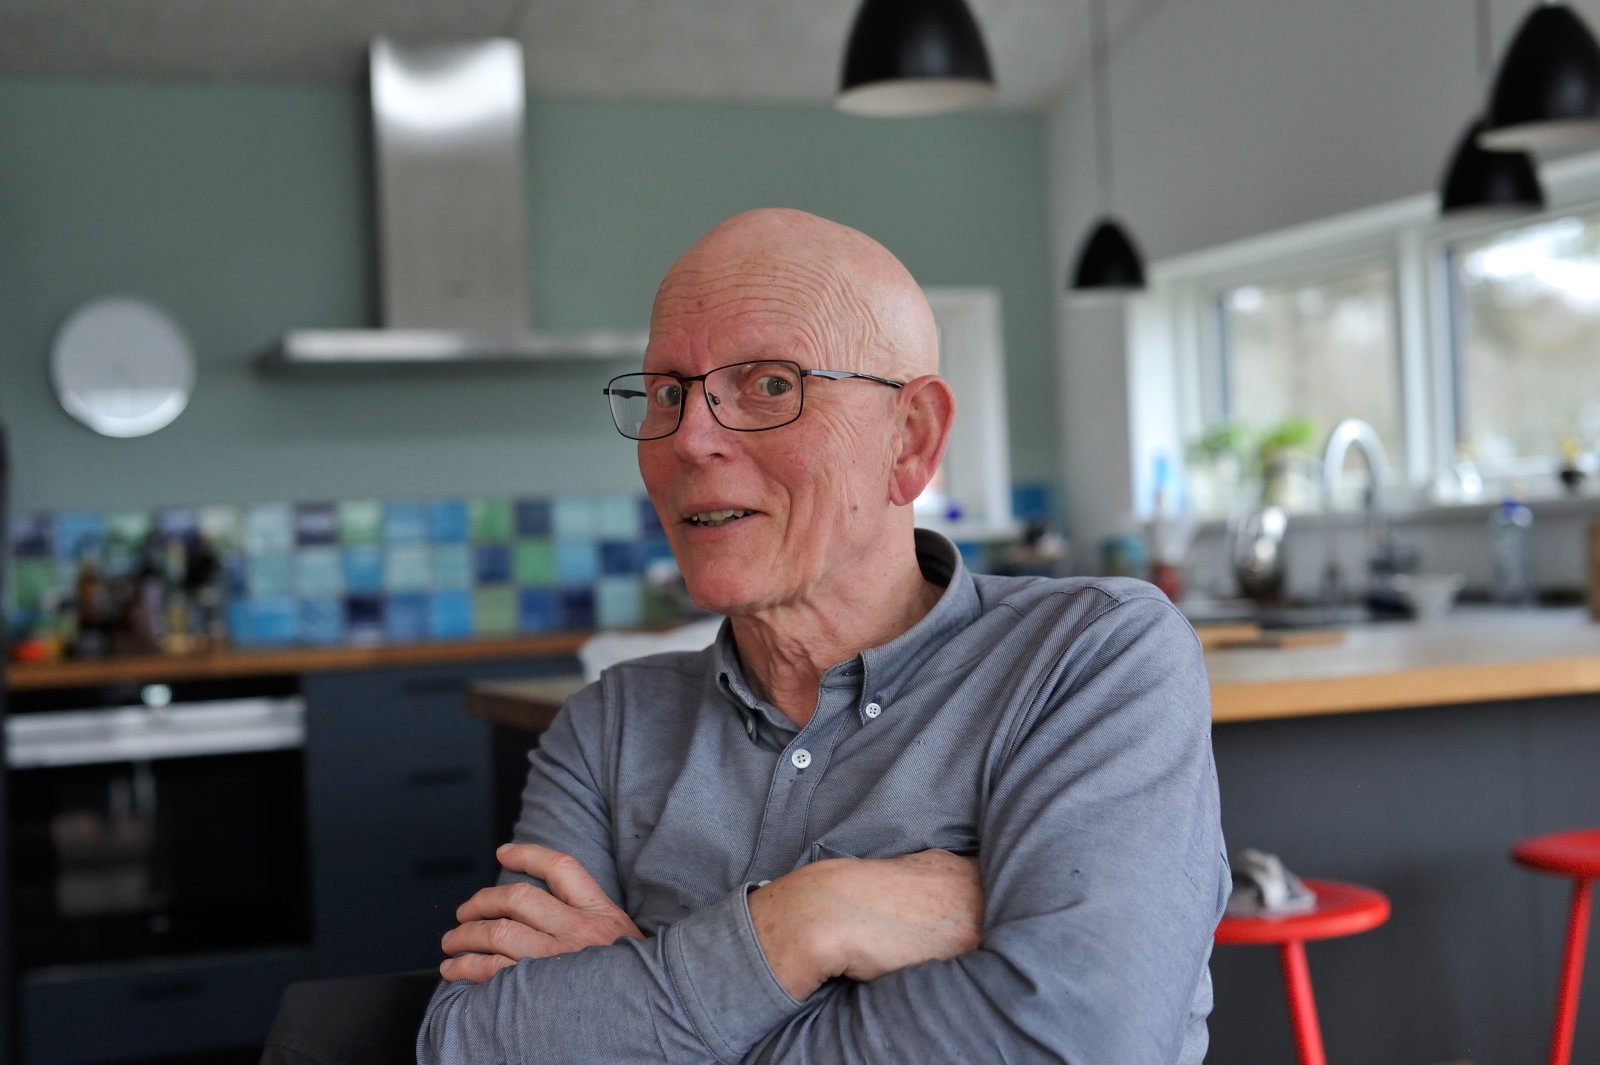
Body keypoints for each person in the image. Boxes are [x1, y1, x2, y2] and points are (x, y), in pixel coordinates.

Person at [417, 208, 1227, 1064]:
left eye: (770, 384)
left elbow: (1077, 1045)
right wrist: (805, 920)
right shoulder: (610, 727)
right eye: (667, 392)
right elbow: (467, 1044)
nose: (690, 438)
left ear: (911, 440)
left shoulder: (1092, 658)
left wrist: (642, 989)